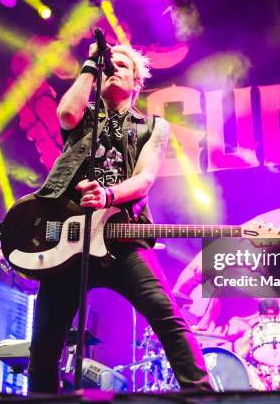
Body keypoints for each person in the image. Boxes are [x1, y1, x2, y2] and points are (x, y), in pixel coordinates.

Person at [28, 42, 212, 394]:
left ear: (137, 82)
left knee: (168, 317)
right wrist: (90, 64)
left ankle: (203, 397)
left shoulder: (153, 126)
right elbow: (65, 114)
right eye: (108, 65)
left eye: (122, 66)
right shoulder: (83, 117)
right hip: (71, 245)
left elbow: (144, 180)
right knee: (45, 345)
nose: (114, 68)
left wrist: (108, 195)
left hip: (123, 239)